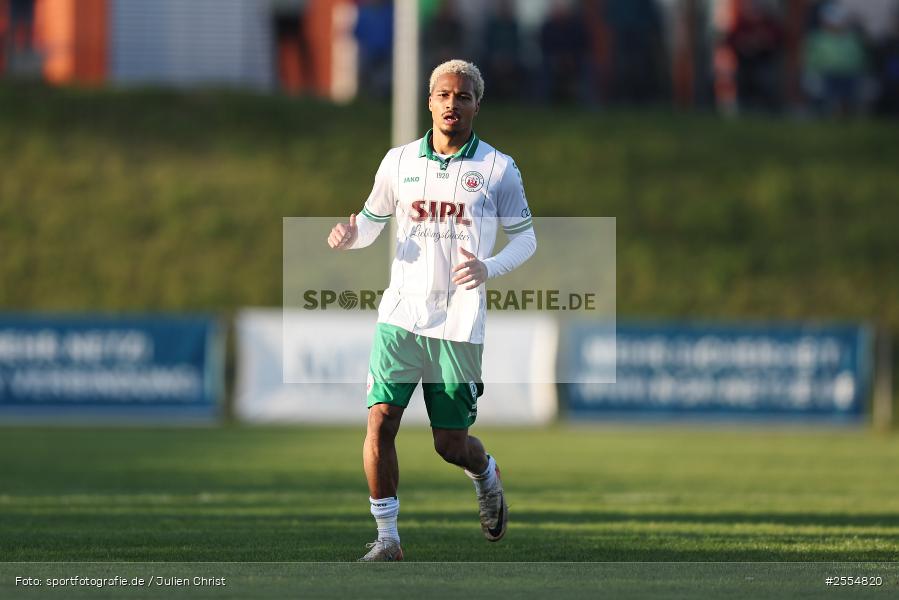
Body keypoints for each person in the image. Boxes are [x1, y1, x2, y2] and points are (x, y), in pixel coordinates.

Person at [327, 59, 537, 561]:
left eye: (462, 96)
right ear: (429, 101)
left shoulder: (497, 168)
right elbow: (373, 222)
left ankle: (485, 474)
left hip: (459, 323)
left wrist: (489, 268)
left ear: (476, 106)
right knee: (380, 422)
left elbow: (526, 239)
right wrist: (351, 236)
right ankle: (388, 539)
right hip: (400, 316)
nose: (452, 103)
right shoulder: (398, 161)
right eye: (443, 94)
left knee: (450, 444)